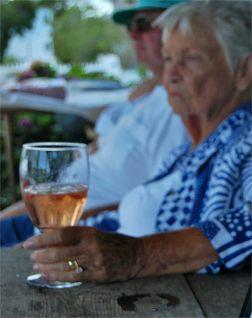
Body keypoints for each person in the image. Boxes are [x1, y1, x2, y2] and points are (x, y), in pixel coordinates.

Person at [22, 0, 252, 283]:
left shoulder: (245, 142)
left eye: (191, 58)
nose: (172, 74)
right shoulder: (192, 150)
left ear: (243, 71)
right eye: (168, 59)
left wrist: (140, 255)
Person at [0, 0, 187, 246]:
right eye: (132, 25)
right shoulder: (148, 97)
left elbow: (158, 197)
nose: (132, 33)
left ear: (182, 28)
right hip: (54, 208)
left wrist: (47, 222)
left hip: (74, 225)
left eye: (144, 24)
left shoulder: (183, 109)